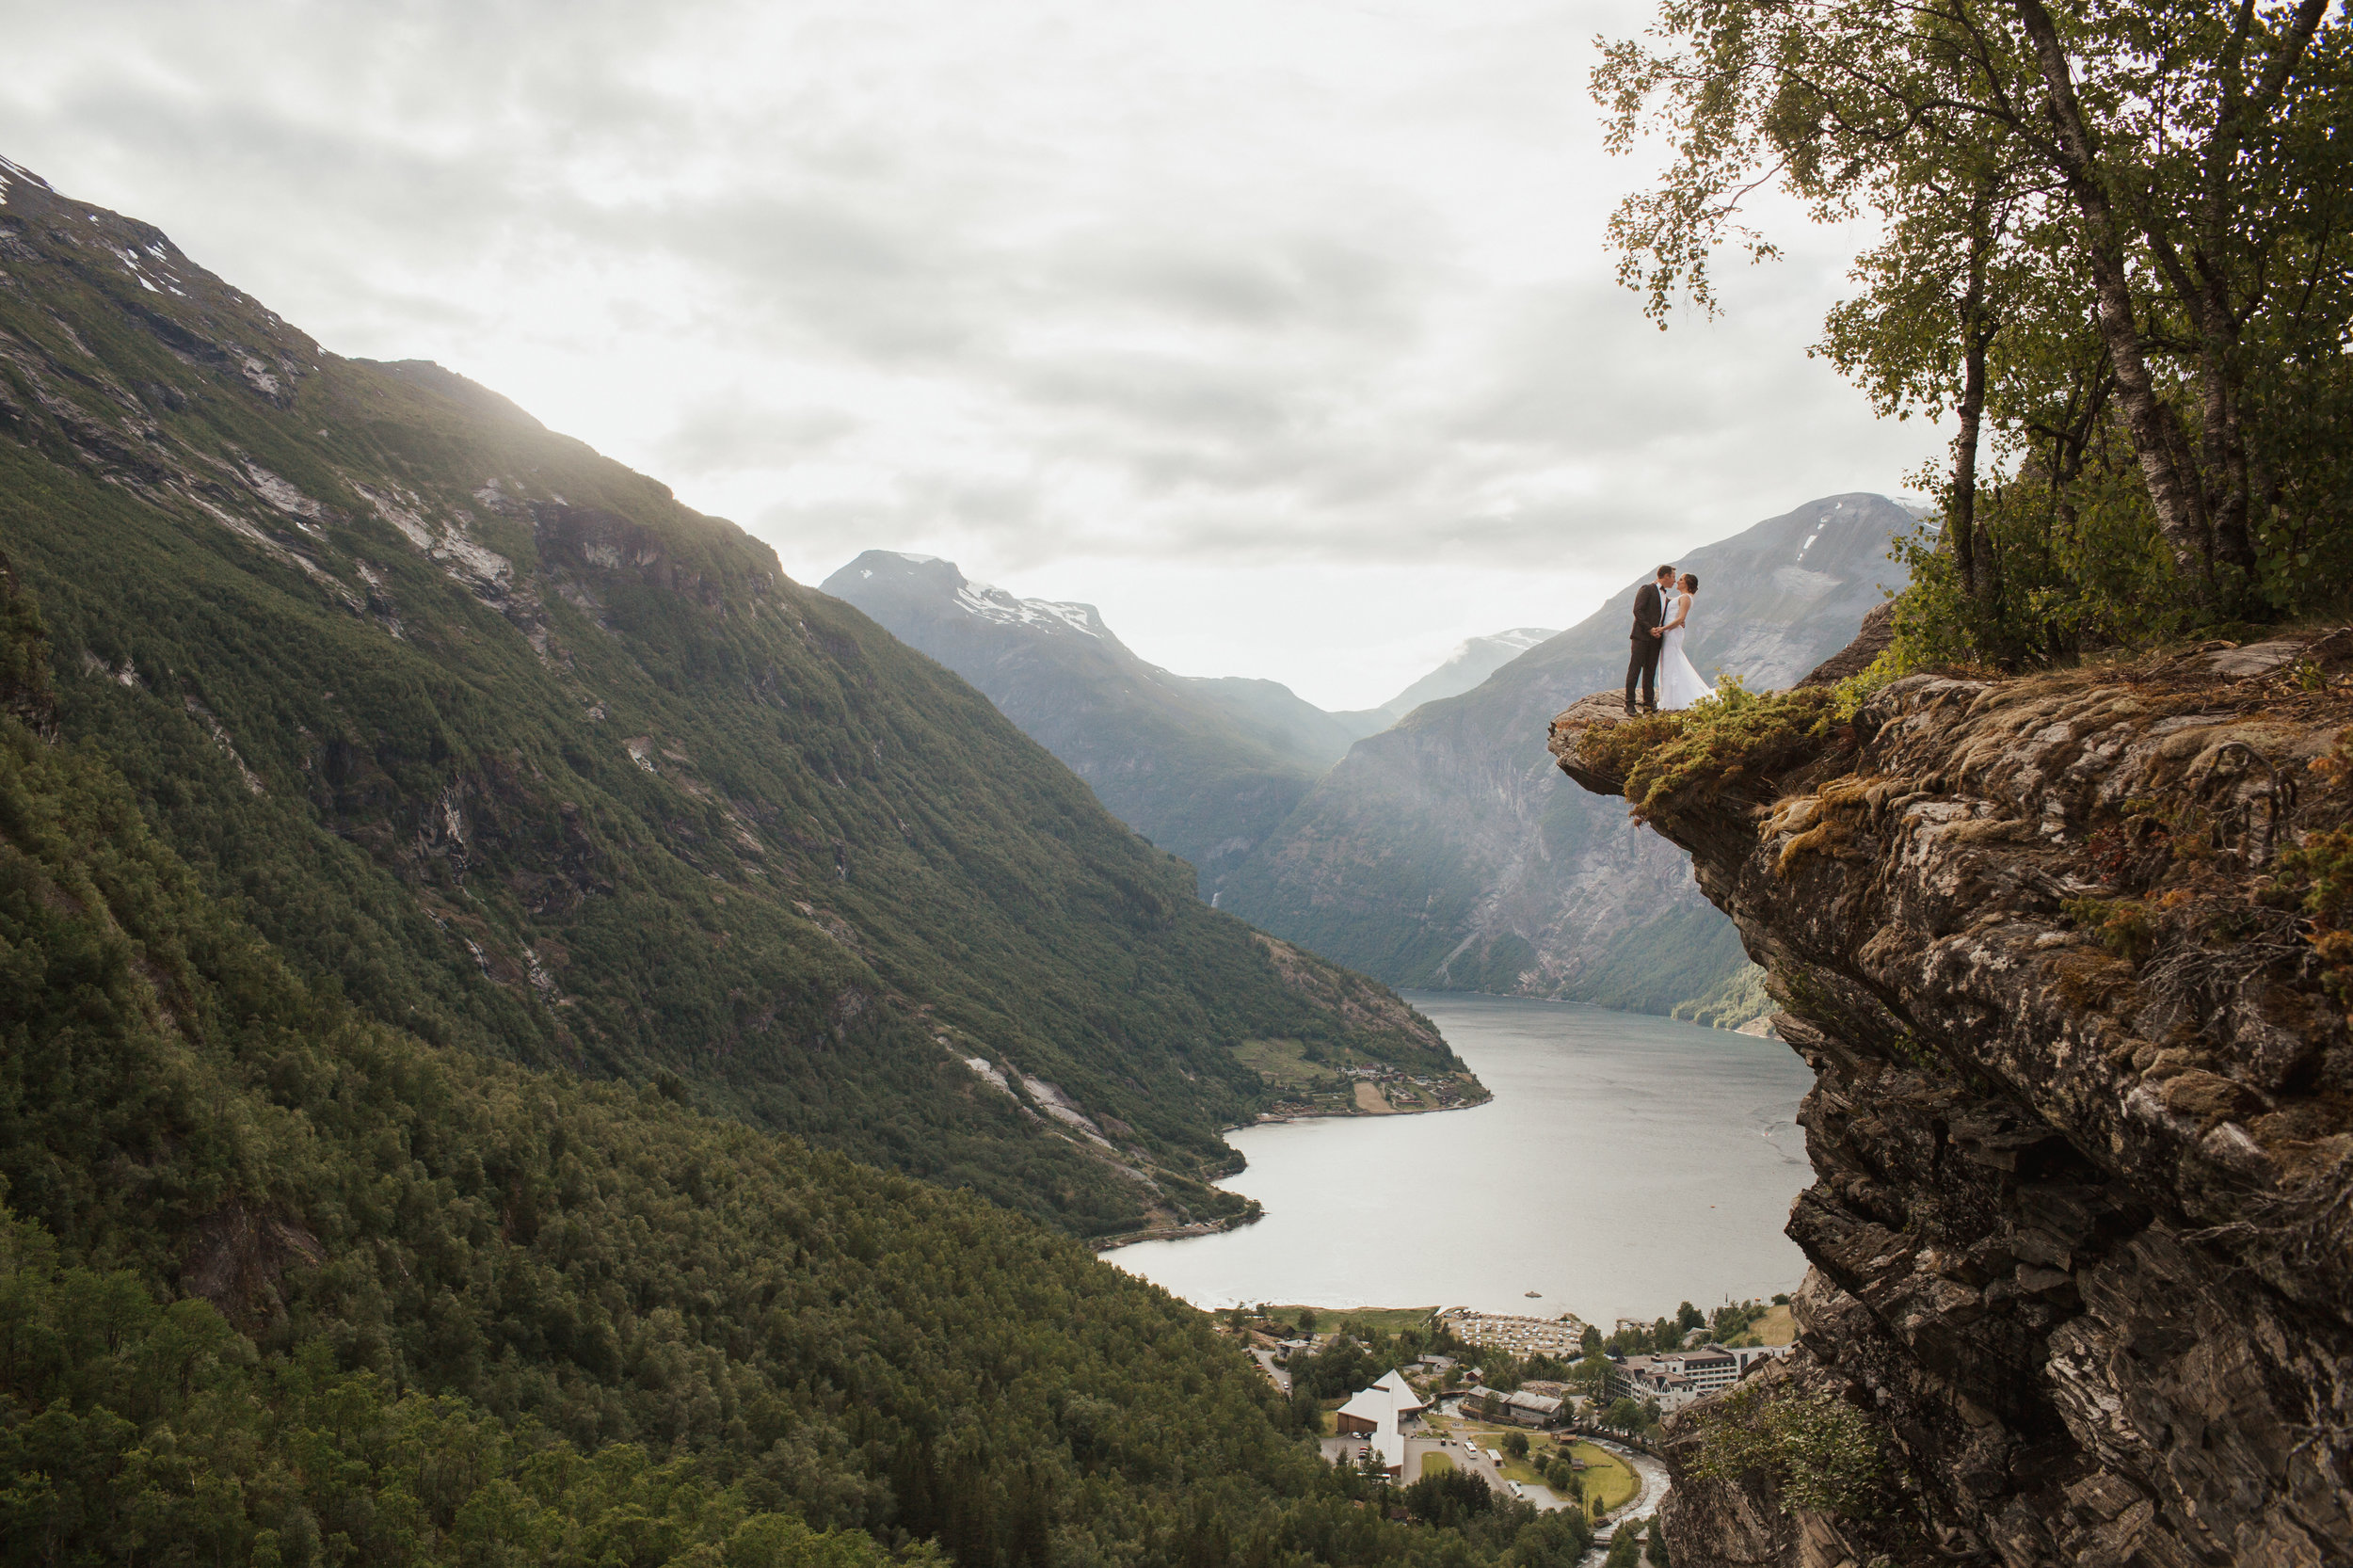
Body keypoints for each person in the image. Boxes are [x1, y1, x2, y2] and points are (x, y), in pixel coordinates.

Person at [1657, 572, 1711, 710]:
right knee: (1668, 662)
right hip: (1670, 632)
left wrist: (1663, 629)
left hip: (1672, 633)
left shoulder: (1686, 598)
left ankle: (1675, 699)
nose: (1677, 582)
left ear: (1687, 583)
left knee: (1673, 660)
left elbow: (1680, 618)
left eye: (1680, 580)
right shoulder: (1681, 597)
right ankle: (1669, 698)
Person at [1624, 565, 1674, 713]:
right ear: (1665, 576)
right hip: (1641, 636)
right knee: (1635, 669)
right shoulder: (1647, 589)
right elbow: (1637, 610)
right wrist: (1649, 629)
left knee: (1650, 671)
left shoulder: (1665, 596)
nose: (1674, 581)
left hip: (1656, 639)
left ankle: (1648, 703)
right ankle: (1629, 704)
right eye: (1672, 577)